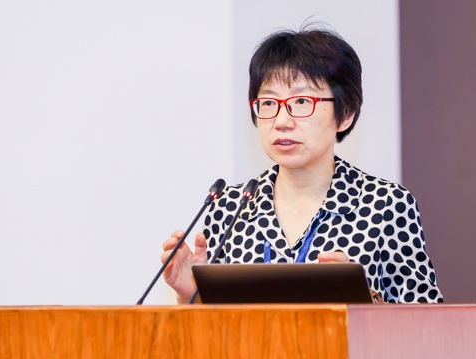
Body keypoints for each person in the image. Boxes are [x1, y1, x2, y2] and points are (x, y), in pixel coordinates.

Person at [161, 24, 443, 304]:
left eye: (302, 101)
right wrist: (190, 297)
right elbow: (216, 326)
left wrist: (364, 300)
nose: (282, 121)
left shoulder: (386, 205)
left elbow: (429, 322)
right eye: (269, 103)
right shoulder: (229, 208)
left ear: (345, 114)